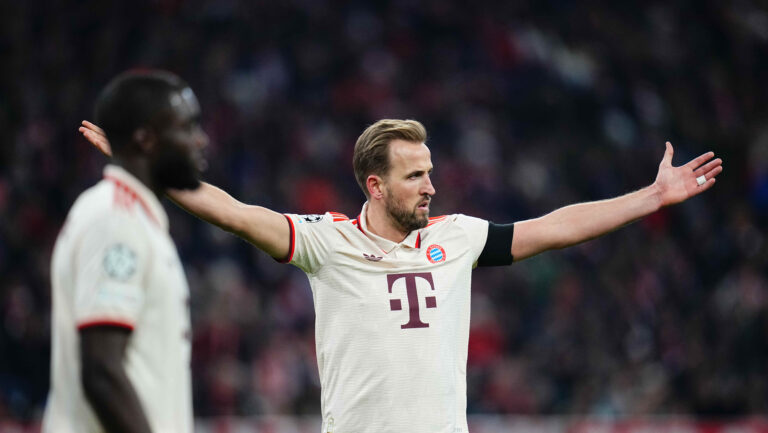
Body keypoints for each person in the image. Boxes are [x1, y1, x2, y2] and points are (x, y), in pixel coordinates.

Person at [80, 118, 722, 433]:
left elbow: (555, 226)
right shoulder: (325, 243)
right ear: (375, 185)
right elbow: (232, 211)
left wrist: (649, 198)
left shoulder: (459, 238)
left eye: (431, 171)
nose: (431, 187)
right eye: (416, 176)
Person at [45, 70, 208, 433]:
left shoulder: (136, 220)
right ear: (146, 139)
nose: (201, 140)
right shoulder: (114, 219)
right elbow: (102, 369)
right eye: (187, 128)